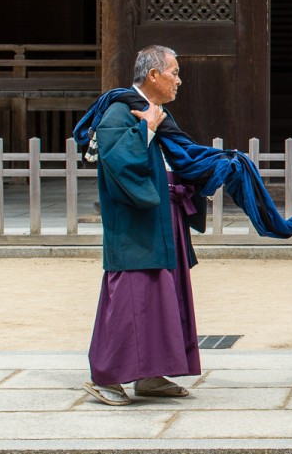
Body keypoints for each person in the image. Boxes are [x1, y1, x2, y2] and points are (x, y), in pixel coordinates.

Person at [81, 46, 205, 406]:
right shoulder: (120, 111)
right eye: (174, 73)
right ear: (153, 75)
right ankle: (107, 378)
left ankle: (151, 375)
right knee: (129, 297)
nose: (179, 81)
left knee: (162, 294)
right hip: (134, 221)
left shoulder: (155, 111)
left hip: (163, 215)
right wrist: (146, 128)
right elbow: (117, 162)